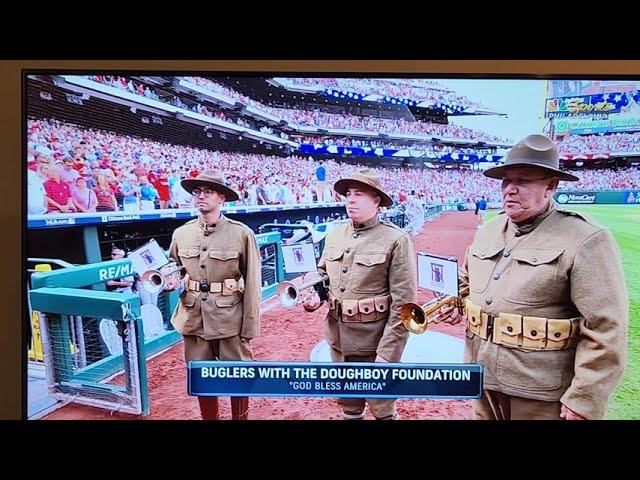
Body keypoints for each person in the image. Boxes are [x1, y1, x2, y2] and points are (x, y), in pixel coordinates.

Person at [444, 134, 628, 420]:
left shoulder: (585, 238)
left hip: (540, 391)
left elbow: (606, 327)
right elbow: (468, 282)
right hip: (481, 379)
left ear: (551, 186)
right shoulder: (489, 230)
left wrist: (584, 399)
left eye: (523, 181)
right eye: (506, 180)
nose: (510, 190)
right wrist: (453, 299)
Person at [301, 170, 417, 420]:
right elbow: (324, 275)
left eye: (359, 194)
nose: (350, 200)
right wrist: (315, 296)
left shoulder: (396, 239)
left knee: (382, 409)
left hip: (374, 345)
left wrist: (387, 353)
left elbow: (404, 305)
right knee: (349, 407)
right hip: (339, 341)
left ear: (376, 201)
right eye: (348, 194)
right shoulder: (335, 235)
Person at [163, 170, 261, 420]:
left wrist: (249, 327)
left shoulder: (240, 233)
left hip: (230, 318)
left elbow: (252, 283)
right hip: (194, 317)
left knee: (237, 378)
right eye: (197, 192)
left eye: (208, 192)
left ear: (222, 198)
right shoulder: (181, 233)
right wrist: (169, 279)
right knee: (201, 379)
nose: (201, 197)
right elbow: (173, 266)